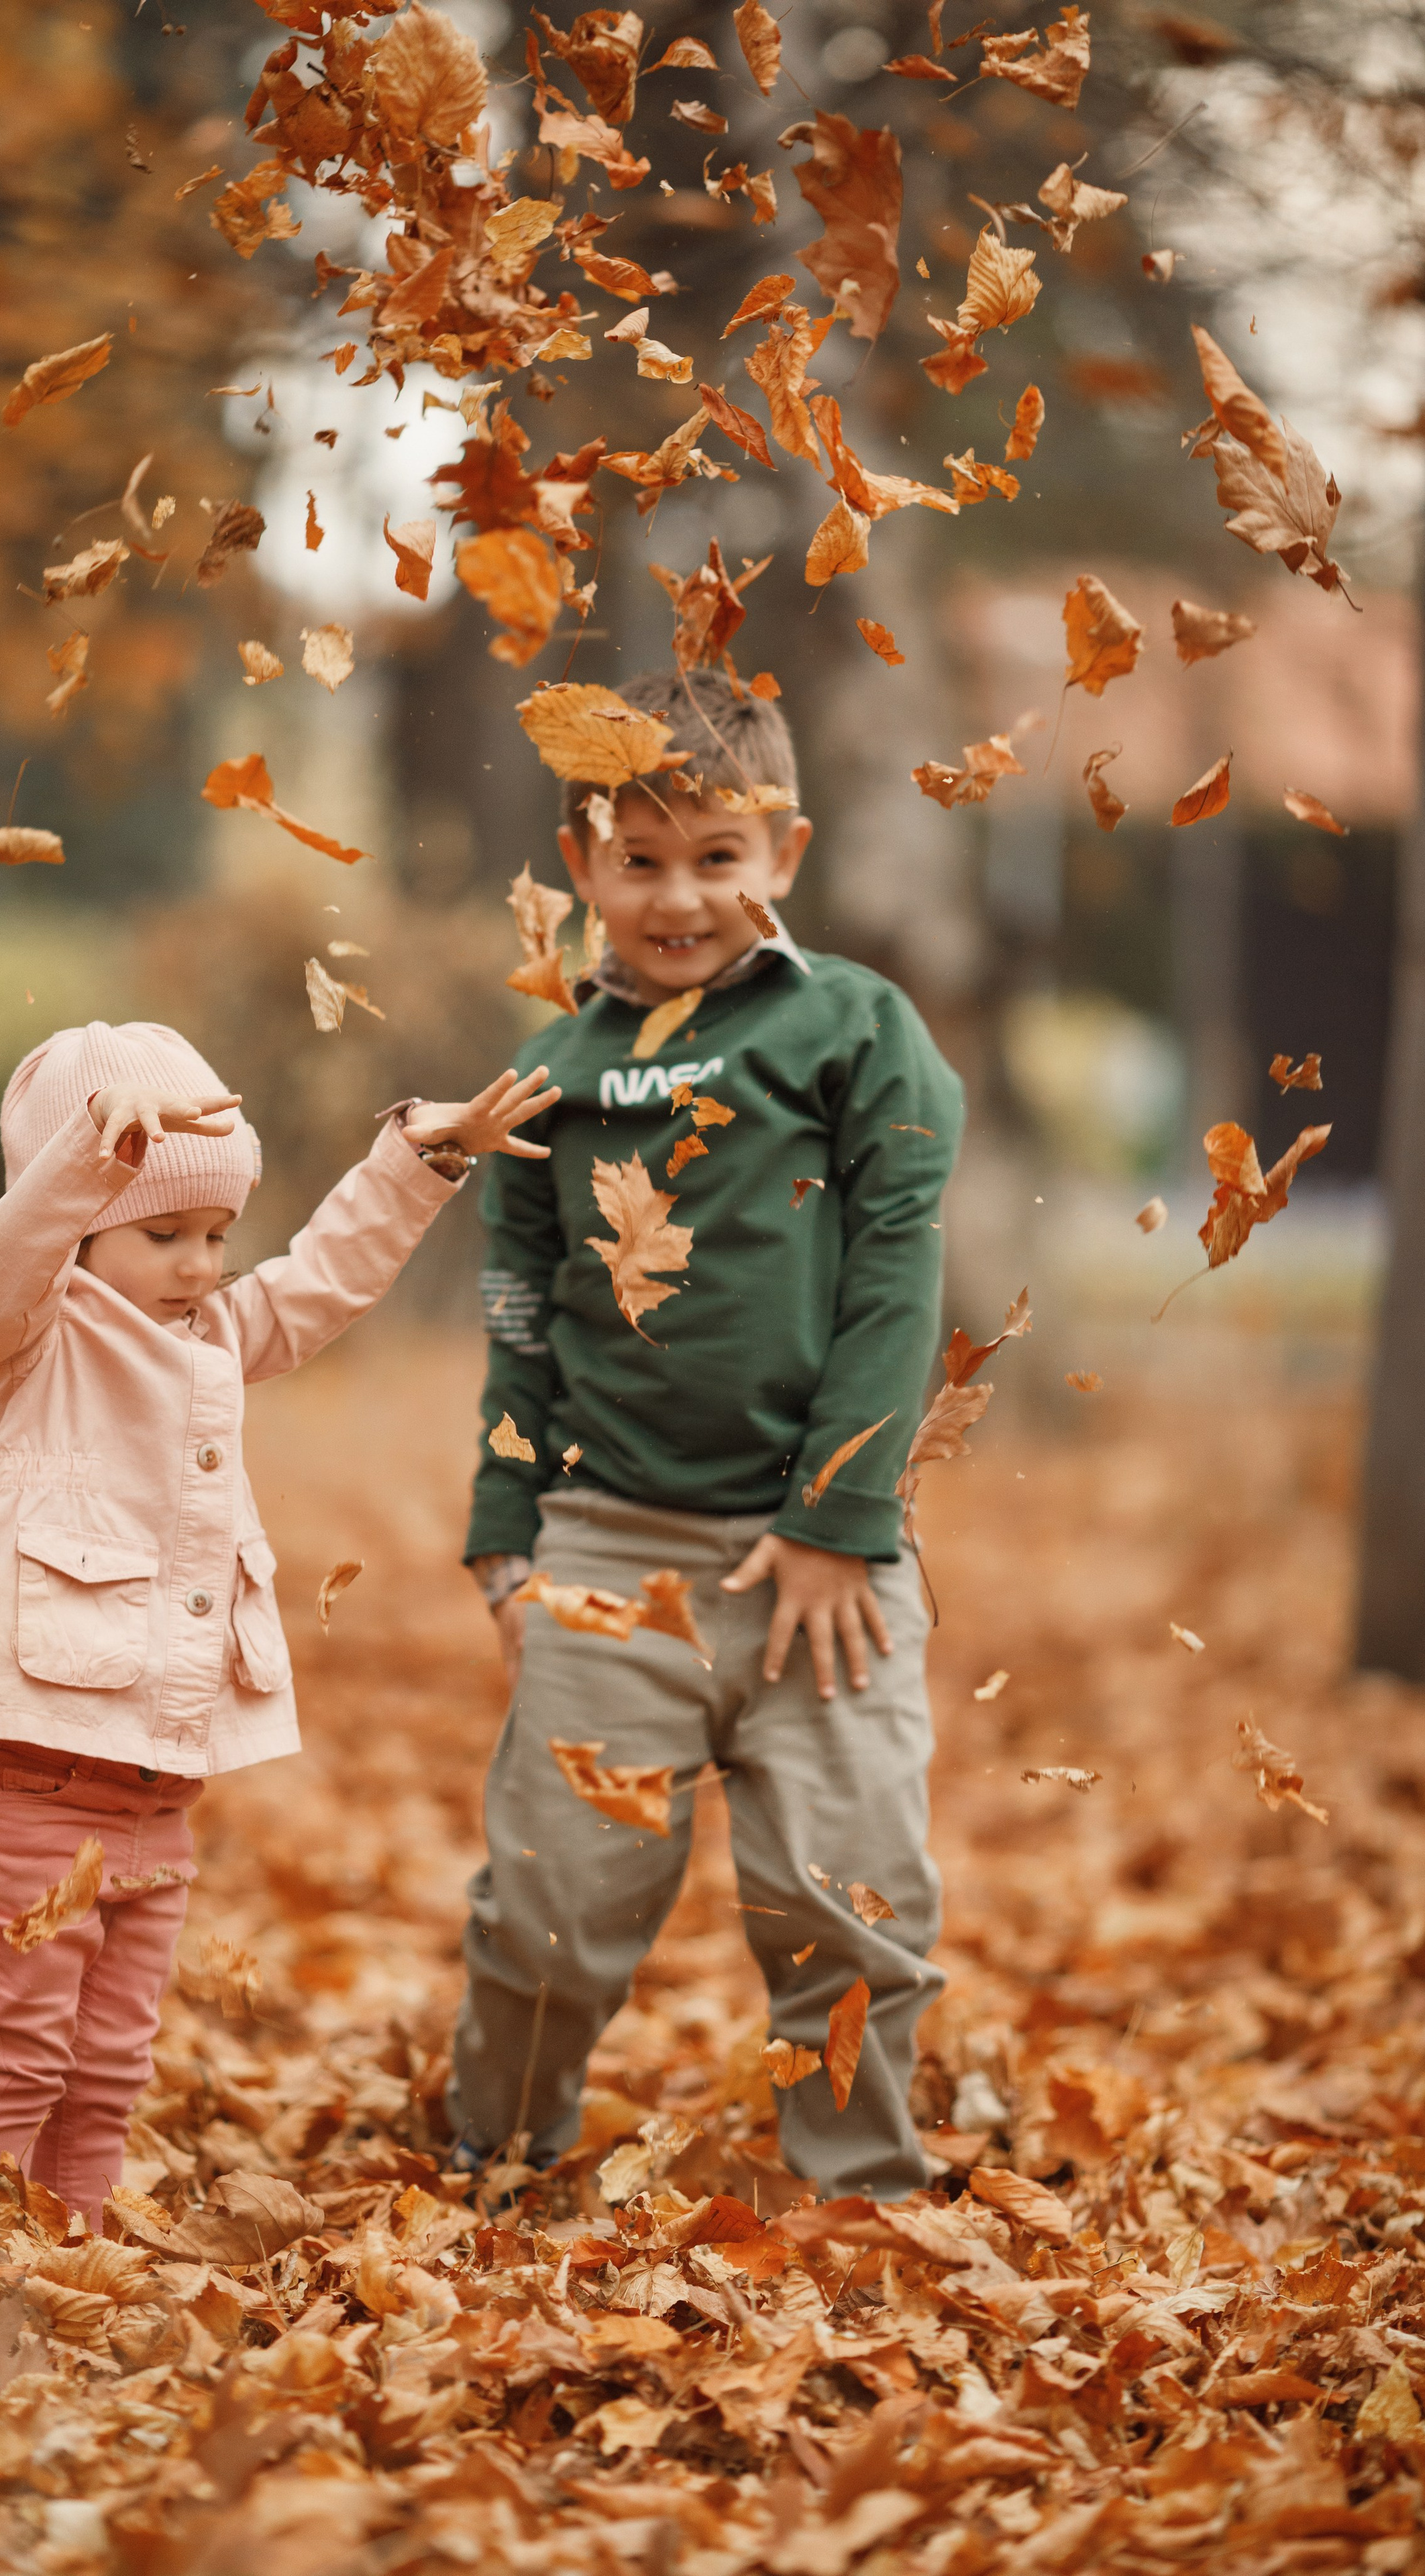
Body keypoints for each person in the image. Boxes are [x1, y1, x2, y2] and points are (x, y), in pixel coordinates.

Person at [452, 670, 965, 2203]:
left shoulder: (850, 1026)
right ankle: (499, 2154)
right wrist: (501, 1530)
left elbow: (895, 1276)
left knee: (847, 1899)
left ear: (783, 855)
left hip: (822, 1556)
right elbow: (519, 1314)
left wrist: (833, 1522)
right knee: (552, 1904)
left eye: (719, 857)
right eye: (641, 859)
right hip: (607, 1545)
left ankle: (859, 2187)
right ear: (580, 862)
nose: (680, 895)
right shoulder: (547, 1071)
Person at [0, 1018, 557, 2226]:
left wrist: (419, 1159)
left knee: (109, 2067)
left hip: (157, 1784)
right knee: (20, 2060)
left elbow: (321, 1285)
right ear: (85, 1213)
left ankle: (79, 2266)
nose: (199, 1263)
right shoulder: (22, 1341)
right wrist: (90, 1158)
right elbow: (12, 1254)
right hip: (32, 1774)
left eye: (216, 1234)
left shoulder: (207, 1339)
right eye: (162, 1233)